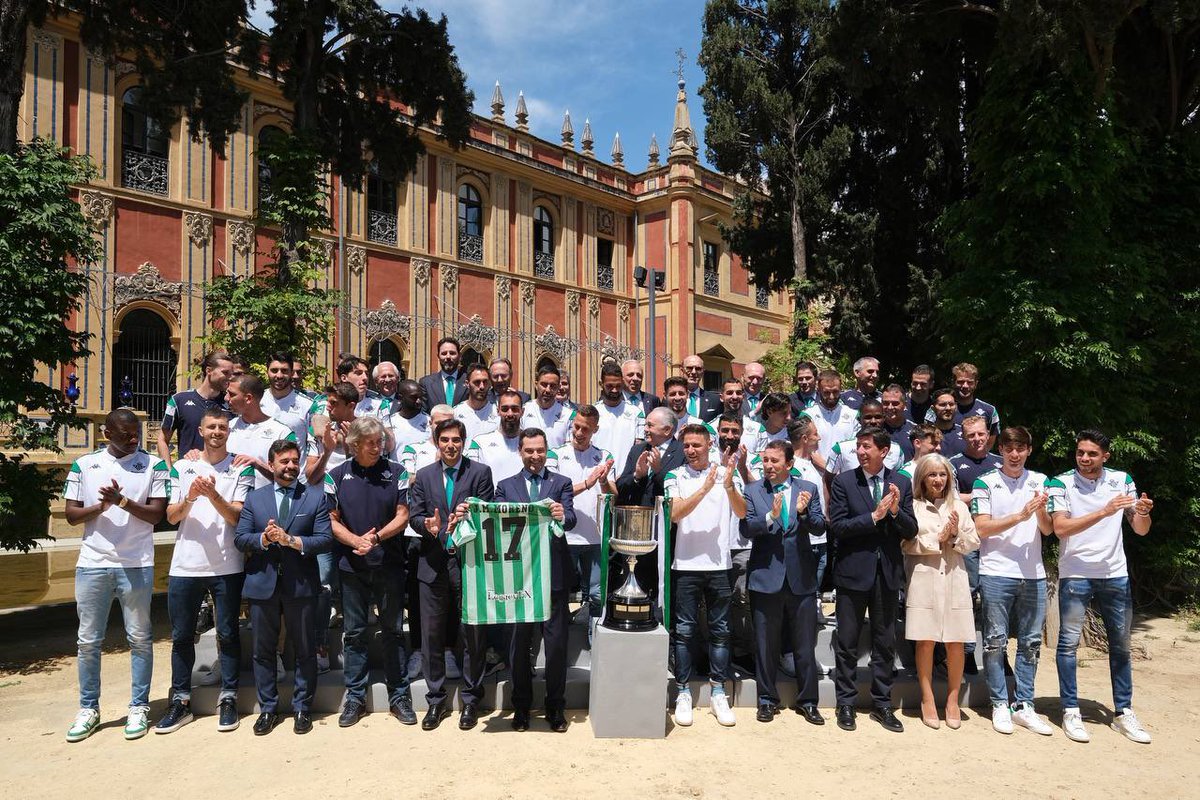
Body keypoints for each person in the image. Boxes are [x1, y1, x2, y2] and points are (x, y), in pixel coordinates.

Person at [63, 409, 168, 743]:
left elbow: (156, 515)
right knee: (88, 641)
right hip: (93, 563)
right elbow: (70, 515)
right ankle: (88, 709)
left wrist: (122, 501)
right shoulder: (85, 465)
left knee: (139, 637)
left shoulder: (154, 465)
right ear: (107, 433)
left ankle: (139, 706)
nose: (134, 438)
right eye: (126, 434)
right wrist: (101, 507)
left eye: (136, 432)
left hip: (136, 563)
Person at [1047, 429, 1154, 744]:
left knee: (1120, 647)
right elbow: (1060, 528)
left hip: (1115, 573)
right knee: (1068, 645)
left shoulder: (1122, 480)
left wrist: (1143, 513)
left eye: (1092, 454)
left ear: (1105, 456)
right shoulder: (1060, 482)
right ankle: (1070, 710)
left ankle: (1123, 712)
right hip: (1076, 573)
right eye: (1080, 452)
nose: (1084, 458)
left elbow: (1140, 529)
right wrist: (1104, 511)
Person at [155, 408, 253, 735]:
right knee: (182, 635)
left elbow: (238, 518)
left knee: (227, 633)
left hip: (227, 565)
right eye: (211, 427)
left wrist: (213, 495)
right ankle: (180, 700)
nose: (216, 432)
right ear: (200, 429)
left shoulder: (240, 468)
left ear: (229, 431)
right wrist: (192, 497)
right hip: (186, 564)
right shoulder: (183, 467)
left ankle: (228, 697)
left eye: (222, 427)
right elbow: (171, 516)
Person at [234, 439, 334, 736]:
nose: (290, 466)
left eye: (294, 461)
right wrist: (264, 539)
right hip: (263, 583)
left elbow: (325, 539)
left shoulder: (314, 497)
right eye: (284, 461)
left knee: (304, 649)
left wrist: (291, 540)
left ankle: (302, 707)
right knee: (263, 651)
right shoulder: (256, 498)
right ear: (272, 463)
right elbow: (241, 538)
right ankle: (268, 708)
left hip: (300, 583)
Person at [327, 417, 417, 728]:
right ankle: (354, 698)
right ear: (354, 445)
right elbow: (331, 519)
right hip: (351, 567)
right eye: (371, 443)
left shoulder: (397, 472)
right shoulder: (336, 476)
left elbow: (403, 515)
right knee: (354, 634)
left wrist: (375, 538)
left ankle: (399, 696)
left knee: (393, 631)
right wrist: (356, 541)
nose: (378, 447)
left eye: (380, 442)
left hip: (389, 565)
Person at [827, 426, 918, 733]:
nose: (861, 452)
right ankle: (846, 704)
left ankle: (882, 704)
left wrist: (893, 512)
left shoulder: (901, 482)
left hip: (888, 574)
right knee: (848, 643)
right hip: (852, 573)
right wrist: (873, 518)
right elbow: (838, 526)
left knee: (884, 642)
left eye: (866, 447)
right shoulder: (843, 482)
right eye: (859, 446)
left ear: (884, 451)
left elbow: (911, 529)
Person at [408, 418, 494, 731]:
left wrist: (472, 511)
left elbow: (489, 510)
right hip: (432, 564)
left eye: (456, 440)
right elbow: (415, 515)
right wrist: (427, 528)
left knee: (472, 634)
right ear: (436, 442)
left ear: (464, 441)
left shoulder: (480, 473)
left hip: (470, 564)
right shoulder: (424, 477)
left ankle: (471, 700)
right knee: (431, 636)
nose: (450, 445)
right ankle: (436, 700)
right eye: (444, 440)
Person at [970, 426, 1055, 736]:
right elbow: (981, 529)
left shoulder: (1041, 481)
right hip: (995, 572)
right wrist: (1020, 516)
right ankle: (999, 705)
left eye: (1021, 448)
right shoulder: (985, 483)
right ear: (1001, 451)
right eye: (1009, 448)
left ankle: (1024, 705)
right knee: (995, 641)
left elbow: (1046, 530)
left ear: (1028, 450)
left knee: (1031, 643)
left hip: (1033, 573)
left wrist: (1041, 512)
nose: (1015, 454)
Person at [665, 425, 746, 728]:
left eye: (697, 445)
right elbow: (675, 513)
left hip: (718, 565)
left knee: (721, 630)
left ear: (710, 444)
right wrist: (704, 488)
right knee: (684, 631)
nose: (690, 450)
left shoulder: (728, 473)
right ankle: (684, 691)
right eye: (686, 445)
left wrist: (727, 486)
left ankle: (718, 692)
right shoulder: (675, 476)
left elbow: (741, 512)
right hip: (684, 565)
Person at [496, 428, 577, 732]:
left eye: (540, 450)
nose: (535, 456)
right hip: (518, 580)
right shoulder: (505, 487)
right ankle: (521, 708)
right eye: (529, 450)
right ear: (520, 451)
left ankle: (556, 707)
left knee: (556, 648)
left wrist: (560, 513)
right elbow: (497, 523)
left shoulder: (561, 483)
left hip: (553, 578)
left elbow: (571, 519)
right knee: (519, 649)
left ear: (547, 452)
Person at [743, 440, 826, 725]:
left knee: (804, 644)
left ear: (789, 464)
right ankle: (767, 699)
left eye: (774, 461)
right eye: (765, 460)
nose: (768, 466)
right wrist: (771, 516)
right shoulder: (753, 490)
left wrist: (802, 512)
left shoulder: (808, 489)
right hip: (766, 578)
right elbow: (747, 528)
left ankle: (808, 701)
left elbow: (819, 526)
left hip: (801, 577)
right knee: (766, 644)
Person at [904, 453, 981, 729]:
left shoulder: (958, 505)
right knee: (925, 640)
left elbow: (974, 539)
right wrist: (937, 539)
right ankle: (927, 699)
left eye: (942, 474)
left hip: (954, 577)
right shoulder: (912, 506)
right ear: (922, 478)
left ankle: (952, 700)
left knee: (956, 641)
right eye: (932, 475)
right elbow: (906, 544)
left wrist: (955, 536)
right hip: (924, 578)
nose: (938, 480)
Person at [548, 405, 615, 644]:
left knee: (596, 594)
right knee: (560, 593)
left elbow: (613, 495)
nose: (578, 432)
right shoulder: (555, 454)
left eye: (585, 429)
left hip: (596, 537)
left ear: (594, 430)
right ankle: (560, 638)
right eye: (576, 426)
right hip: (564, 536)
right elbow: (554, 493)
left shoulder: (603, 455)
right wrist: (587, 483)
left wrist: (604, 481)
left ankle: (594, 638)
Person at [398, 404, 456, 681]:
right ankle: (419, 652)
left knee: (453, 599)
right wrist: (433, 468)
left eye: (449, 424)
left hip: (453, 539)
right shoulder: (413, 449)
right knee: (418, 600)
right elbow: (408, 480)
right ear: (430, 423)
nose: (443, 429)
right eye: (438, 423)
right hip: (418, 535)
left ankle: (448, 650)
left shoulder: (459, 455)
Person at [615, 406, 685, 611]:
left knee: (666, 579)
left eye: (650, 425)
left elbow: (680, 488)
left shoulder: (681, 451)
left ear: (668, 430)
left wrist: (658, 471)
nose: (645, 429)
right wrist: (638, 475)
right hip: (640, 530)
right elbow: (622, 485)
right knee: (641, 578)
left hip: (669, 528)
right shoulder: (638, 449)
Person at [949, 415, 1003, 674]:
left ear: (988, 434)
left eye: (981, 434)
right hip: (969, 539)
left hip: (999, 540)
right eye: (971, 435)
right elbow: (950, 497)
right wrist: (982, 493)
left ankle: (998, 653)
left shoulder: (1002, 463)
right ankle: (968, 653)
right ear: (964, 437)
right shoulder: (954, 464)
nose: (977, 439)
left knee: (995, 598)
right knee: (968, 596)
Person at [158, 350, 233, 466]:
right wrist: (169, 472)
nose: (230, 378)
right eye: (225, 373)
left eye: (231, 373)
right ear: (209, 371)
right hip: (188, 472)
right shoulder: (179, 400)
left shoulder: (231, 404)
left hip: (222, 474)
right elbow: (162, 440)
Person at [226, 374, 297, 488]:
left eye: (232, 394)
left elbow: (289, 478)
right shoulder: (226, 428)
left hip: (265, 503)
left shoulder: (282, 432)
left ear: (248, 398)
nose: (226, 398)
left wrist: (258, 465)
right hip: (227, 503)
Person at [925, 362, 1001, 446]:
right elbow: (927, 436)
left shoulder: (989, 411)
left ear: (976, 384)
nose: (965, 386)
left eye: (970, 382)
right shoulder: (935, 410)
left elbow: (988, 446)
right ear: (953, 382)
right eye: (961, 381)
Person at [592, 361, 645, 476]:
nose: (615, 390)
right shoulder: (593, 413)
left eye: (618, 386)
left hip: (626, 478)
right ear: (601, 384)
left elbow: (638, 448)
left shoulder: (637, 413)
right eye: (610, 386)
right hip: (599, 476)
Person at [825, 399, 903, 476]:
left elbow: (897, 480)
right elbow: (828, 479)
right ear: (859, 419)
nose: (873, 421)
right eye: (868, 417)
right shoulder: (841, 449)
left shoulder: (896, 451)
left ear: (884, 418)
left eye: (878, 417)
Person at [467, 388, 526, 483]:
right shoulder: (480, 443)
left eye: (514, 409)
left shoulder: (533, 443)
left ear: (522, 412)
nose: (510, 413)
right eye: (505, 409)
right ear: (498, 411)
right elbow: (472, 478)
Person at [310, 354, 391, 420]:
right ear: (344, 378)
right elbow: (315, 434)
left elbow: (389, 437)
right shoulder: (323, 402)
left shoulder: (380, 404)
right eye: (358, 373)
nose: (365, 378)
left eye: (366, 373)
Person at [806, 369, 859, 461]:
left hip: (845, 472)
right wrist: (827, 470)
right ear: (818, 390)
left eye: (835, 392)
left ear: (841, 389)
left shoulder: (853, 415)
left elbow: (856, 447)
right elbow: (805, 449)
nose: (831, 397)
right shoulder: (808, 416)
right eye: (826, 392)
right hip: (815, 472)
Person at [260, 351, 312, 445]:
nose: (279, 375)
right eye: (274, 370)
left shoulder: (307, 405)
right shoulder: (256, 400)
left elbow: (313, 447)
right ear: (267, 372)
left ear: (291, 373)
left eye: (284, 371)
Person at [521, 364, 573, 449]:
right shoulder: (524, 410)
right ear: (536, 385)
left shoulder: (568, 415)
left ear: (558, 388)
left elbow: (570, 449)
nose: (548, 390)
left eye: (553, 386)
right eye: (544, 385)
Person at [418, 336, 470, 410]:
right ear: (438, 356)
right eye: (444, 353)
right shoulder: (426, 383)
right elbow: (423, 413)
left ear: (459, 356)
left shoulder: (470, 381)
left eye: (452, 353)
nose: (448, 356)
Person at [453, 363, 502, 441]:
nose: (482, 386)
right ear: (467, 384)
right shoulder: (455, 413)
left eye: (485, 382)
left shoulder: (498, 412)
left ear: (490, 384)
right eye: (477, 382)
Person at [387, 378, 430, 456]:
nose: (419, 401)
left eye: (420, 397)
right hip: (396, 468)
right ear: (400, 398)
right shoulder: (389, 423)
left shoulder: (429, 422)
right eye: (414, 397)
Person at [681, 354, 723, 421]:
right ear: (682, 370)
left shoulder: (715, 400)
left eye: (698, 369)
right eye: (689, 368)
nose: (694, 372)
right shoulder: (671, 399)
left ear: (703, 372)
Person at [881, 384, 916, 461]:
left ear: (905, 405)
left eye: (895, 403)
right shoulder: (874, 428)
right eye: (886, 403)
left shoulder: (916, 430)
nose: (890, 407)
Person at [930, 388, 966, 457]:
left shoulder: (965, 433)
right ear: (933, 408)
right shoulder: (926, 434)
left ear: (956, 407)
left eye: (951, 404)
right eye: (943, 405)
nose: (948, 408)